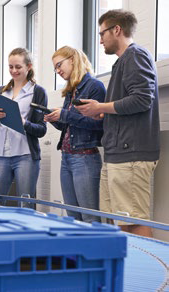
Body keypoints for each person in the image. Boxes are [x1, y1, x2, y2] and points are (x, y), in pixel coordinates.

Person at [76, 10, 159, 237]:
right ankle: (126, 270)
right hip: (118, 153)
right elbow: (129, 104)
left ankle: (147, 273)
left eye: (102, 33)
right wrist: (103, 114)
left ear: (117, 30)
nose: (100, 39)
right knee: (121, 220)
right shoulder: (124, 61)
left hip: (130, 154)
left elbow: (142, 99)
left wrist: (100, 107)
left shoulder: (135, 55)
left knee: (133, 220)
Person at [44, 46, 106, 223]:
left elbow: (99, 123)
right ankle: (79, 251)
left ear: (72, 59)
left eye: (59, 65)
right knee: (72, 217)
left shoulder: (95, 86)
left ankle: (93, 251)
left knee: (89, 217)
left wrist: (64, 114)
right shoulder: (71, 90)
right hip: (67, 158)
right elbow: (71, 125)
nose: (58, 71)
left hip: (84, 159)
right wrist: (54, 119)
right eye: (55, 68)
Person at [0, 48, 47, 208]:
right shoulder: (2, 92)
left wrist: (24, 123)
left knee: (25, 204)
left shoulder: (38, 92)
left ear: (29, 66)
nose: (14, 71)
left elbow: (42, 129)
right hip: (1, 155)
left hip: (26, 156)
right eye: (10, 67)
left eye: (18, 67)